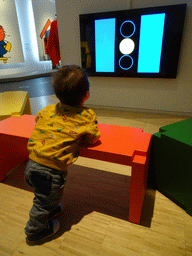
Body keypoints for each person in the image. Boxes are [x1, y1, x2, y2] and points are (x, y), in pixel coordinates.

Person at [24, 65, 100, 244]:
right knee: (41, 204)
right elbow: (93, 137)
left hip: (31, 164)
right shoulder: (86, 115)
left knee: (43, 197)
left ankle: (49, 207)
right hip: (50, 174)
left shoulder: (47, 110)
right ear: (87, 94)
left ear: (56, 94)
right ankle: (35, 232)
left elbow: (37, 119)